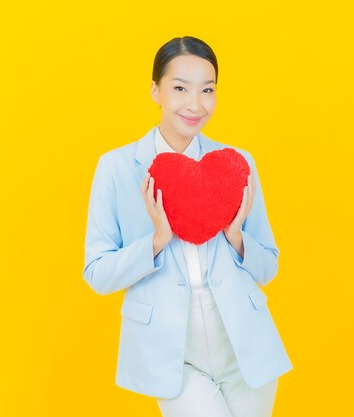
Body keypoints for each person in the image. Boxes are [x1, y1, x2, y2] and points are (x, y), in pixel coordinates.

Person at [82, 36, 293, 417]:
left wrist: (236, 236)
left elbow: (269, 266)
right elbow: (97, 273)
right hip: (171, 356)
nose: (195, 104)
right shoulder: (115, 168)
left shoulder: (236, 164)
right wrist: (157, 241)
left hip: (244, 345)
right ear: (155, 90)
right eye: (180, 88)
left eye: (207, 90)